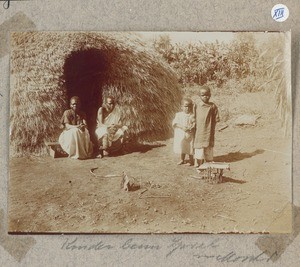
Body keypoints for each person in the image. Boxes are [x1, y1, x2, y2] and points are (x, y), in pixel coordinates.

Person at [194, 86, 220, 168]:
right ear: (199, 96)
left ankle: (208, 161)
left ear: (210, 95)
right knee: (199, 147)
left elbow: (216, 118)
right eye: (203, 95)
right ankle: (198, 163)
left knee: (208, 145)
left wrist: (214, 125)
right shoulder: (197, 106)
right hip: (199, 131)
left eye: (207, 95)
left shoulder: (212, 106)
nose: (205, 97)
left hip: (209, 130)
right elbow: (193, 116)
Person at [172, 98, 195, 166]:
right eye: (185, 106)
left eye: (189, 106)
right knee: (182, 147)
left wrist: (192, 126)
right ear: (181, 107)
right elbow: (175, 123)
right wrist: (182, 127)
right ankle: (182, 159)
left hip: (189, 134)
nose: (187, 108)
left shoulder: (192, 115)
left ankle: (191, 160)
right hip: (182, 134)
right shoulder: (179, 115)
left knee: (190, 147)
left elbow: (194, 122)